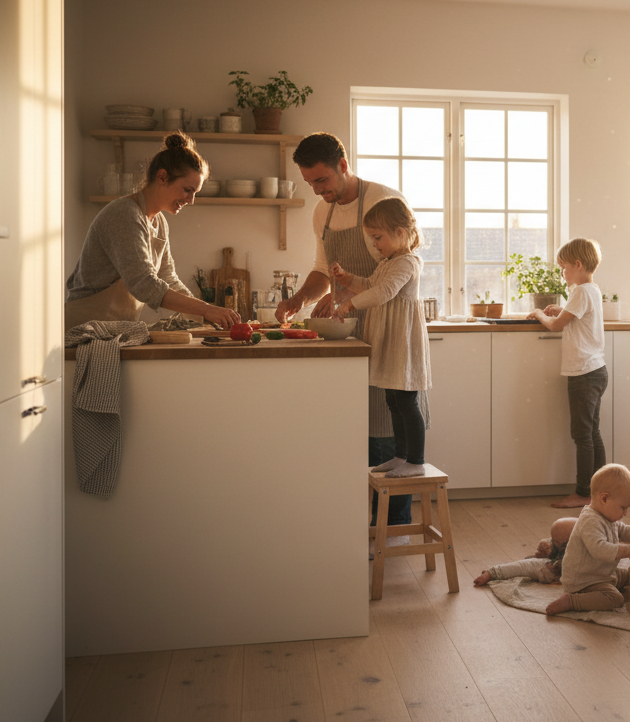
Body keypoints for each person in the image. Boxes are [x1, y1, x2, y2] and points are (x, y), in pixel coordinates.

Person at [273, 132, 414, 538]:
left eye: (323, 181)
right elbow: (323, 268)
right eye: (311, 183)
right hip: (349, 330)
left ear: (344, 166)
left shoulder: (384, 201)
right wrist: (298, 300)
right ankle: (360, 524)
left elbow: (398, 267)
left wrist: (351, 297)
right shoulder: (323, 213)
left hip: (387, 329)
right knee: (358, 428)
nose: (318, 190)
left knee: (388, 428)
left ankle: (393, 526)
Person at [66, 133, 241, 330]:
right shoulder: (124, 214)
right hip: (82, 330)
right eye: (187, 190)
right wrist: (206, 310)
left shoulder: (159, 221)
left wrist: (206, 317)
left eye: (195, 193)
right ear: (162, 177)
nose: (191, 200)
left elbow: (167, 278)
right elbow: (144, 284)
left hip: (113, 329)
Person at [330, 197, 431, 478]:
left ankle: (417, 460)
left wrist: (350, 303)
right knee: (393, 401)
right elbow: (369, 285)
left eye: (378, 237)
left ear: (401, 232)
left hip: (402, 343)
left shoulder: (406, 262)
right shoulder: (389, 262)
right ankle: (401, 455)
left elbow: (383, 292)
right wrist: (347, 279)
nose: (374, 244)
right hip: (389, 342)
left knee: (407, 401)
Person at [529, 238, 607, 509]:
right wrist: (562, 309)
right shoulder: (591, 290)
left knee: (582, 435)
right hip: (596, 370)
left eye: (563, 267)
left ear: (577, 264)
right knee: (592, 433)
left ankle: (583, 492)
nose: (562, 273)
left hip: (583, 374)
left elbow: (554, 326)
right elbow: (576, 317)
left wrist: (540, 313)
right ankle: (601, 491)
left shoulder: (580, 291)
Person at [545, 464, 630, 616]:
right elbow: (600, 550)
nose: (626, 513)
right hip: (584, 581)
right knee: (615, 599)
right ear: (604, 499)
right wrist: (628, 550)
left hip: (603, 573)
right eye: (623, 507)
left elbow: (622, 530)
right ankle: (572, 601)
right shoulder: (590, 520)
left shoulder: (608, 516)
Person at [473, 517, 577, 587]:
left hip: (565, 572)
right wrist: (548, 549)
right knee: (528, 563)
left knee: (528, 566)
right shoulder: (559, 543)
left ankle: (494, 572)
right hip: (555, 566)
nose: (556, 545)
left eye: (559, 544)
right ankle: (493, 572)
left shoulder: (579, 550)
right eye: (554, 541)